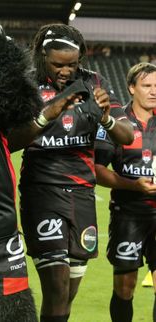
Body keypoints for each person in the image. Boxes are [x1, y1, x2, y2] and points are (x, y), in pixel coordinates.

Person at [9, 23, 134, 322]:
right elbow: (10, 140)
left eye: (71, 65)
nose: (65, 71)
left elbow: (127, 136)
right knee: (57, 285)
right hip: (42, 191)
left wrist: (105, 118)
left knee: (66, 294)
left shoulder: (94, 82)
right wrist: (46, 115)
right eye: (57, 64)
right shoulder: (27, 85)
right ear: (42, 57)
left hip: (82, 194)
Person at [94, 62, 156, 322]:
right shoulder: (117, 124)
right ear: (131, 88)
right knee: (125, 288)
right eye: (147, 85)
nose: (154, 91)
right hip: (128, 215)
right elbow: (96, 169)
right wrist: (132, 185)